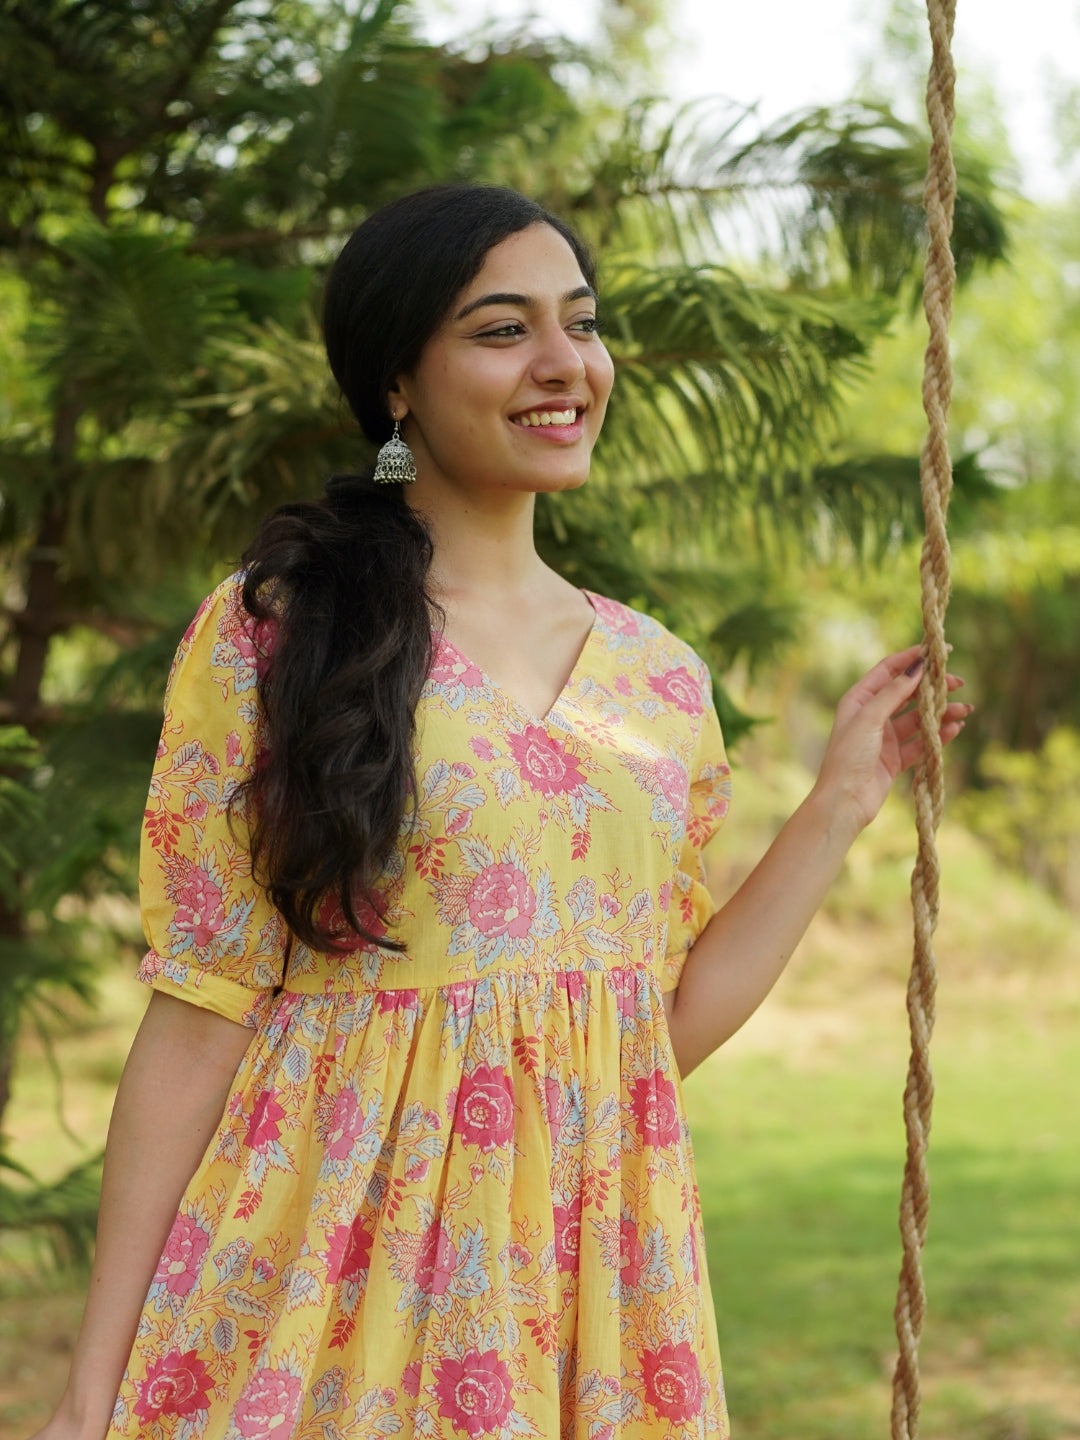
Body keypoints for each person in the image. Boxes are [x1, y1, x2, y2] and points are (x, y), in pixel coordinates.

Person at [31, 183, 969, 1440]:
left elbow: (647, 1037)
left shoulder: (659, 678)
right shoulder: (284, 628)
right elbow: (200, 1009)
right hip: (324, 1281)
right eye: (500, 329)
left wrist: (844, 800)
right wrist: (92, 1391)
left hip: (586, 1292)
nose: (563, 363)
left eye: (580, 323)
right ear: (398, 384)